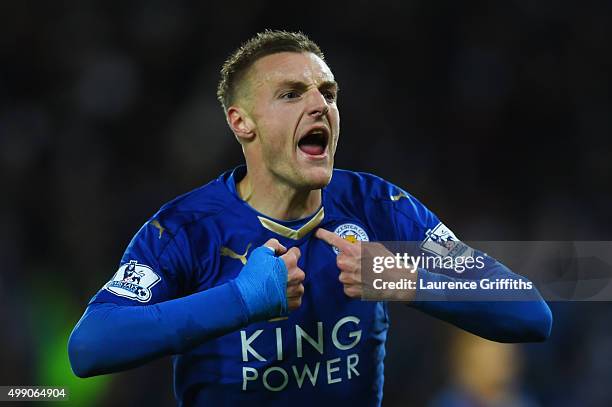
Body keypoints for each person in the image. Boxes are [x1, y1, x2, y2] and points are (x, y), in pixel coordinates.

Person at [68, 30, 552, 406]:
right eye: (291, 93)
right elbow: (89, 347)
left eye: (328, 92)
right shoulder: (186, 228)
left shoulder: (380, 206)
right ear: (242, 122)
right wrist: (240, 300)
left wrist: (408, 279)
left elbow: (530, 311)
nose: (320, 104)